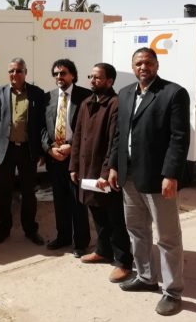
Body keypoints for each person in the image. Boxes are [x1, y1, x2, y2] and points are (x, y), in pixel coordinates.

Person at [108, 47, 190, 316]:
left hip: (158, 178)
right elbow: (119, 134)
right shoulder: (125, 93)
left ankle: (172, 291)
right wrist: (113, 166)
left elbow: (179, 138)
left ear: (156, 65)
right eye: (138, 63)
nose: (143, 67)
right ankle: (145, 277)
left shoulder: (173, 93)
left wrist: (171, 174)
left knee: (167, 237)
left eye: (148, 62)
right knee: (137, 230)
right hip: (129, 175)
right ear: (133, 67)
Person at [68, 63, 133, 283]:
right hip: (87, 170)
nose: (92, 80)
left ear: (109, 81)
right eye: (91, 76)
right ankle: (103, 251)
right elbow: (77, 136)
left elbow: (116, 141)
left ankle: (123, 261)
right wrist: (74, 166)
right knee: (97, 213)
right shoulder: (86, 103)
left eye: (97, 77)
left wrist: (106, 172)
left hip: (104, 172)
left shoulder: (115, 104)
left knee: (115, 218)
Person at [0, 57, 46, 246]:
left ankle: (30, 230)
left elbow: (42, 125)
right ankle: (4, 229)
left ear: (25, 72)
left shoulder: (37, 93)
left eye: (19, 70)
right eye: (11, 71)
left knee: (28, 193)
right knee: (4, 193)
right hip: (6, 150)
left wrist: (42, 151)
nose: (15, 74)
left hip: (28, 150)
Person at [41, 59, 91, 256]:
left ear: (73, 75)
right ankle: (63, 237)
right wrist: (48, 149)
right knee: (59, 201)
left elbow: (88, 128)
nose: (59, 77)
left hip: (75, 158)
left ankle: (81, 243)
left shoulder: (85, 97)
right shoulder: (48, 97)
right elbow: (42, 127)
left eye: (63, 73)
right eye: (56, 74)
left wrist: (71, 147)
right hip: (55, 158)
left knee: (78, 202)